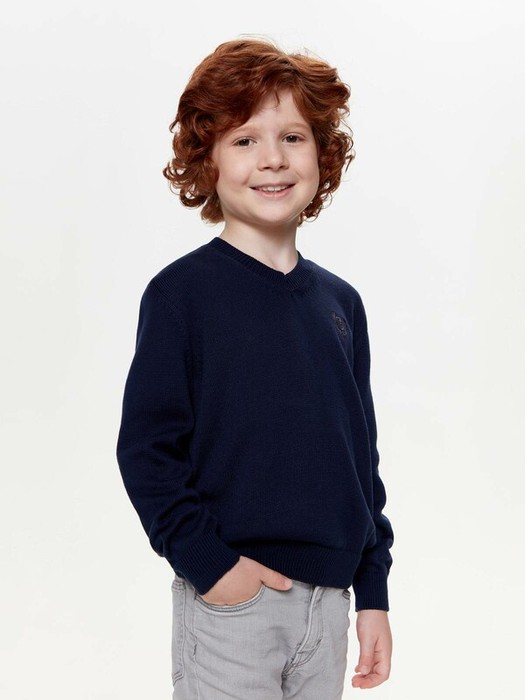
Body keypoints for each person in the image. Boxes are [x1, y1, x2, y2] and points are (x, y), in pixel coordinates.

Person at [116, 37, 394, 699]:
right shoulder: (182, 295)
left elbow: (360, 461)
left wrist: (372, 591)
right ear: (206, 158)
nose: (272, 158)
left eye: (292, 137)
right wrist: (213, 569)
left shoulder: (340, 304)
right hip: (233, 605)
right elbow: (147, 450)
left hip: (329, 604)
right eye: (244, 140)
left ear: (322, 156)